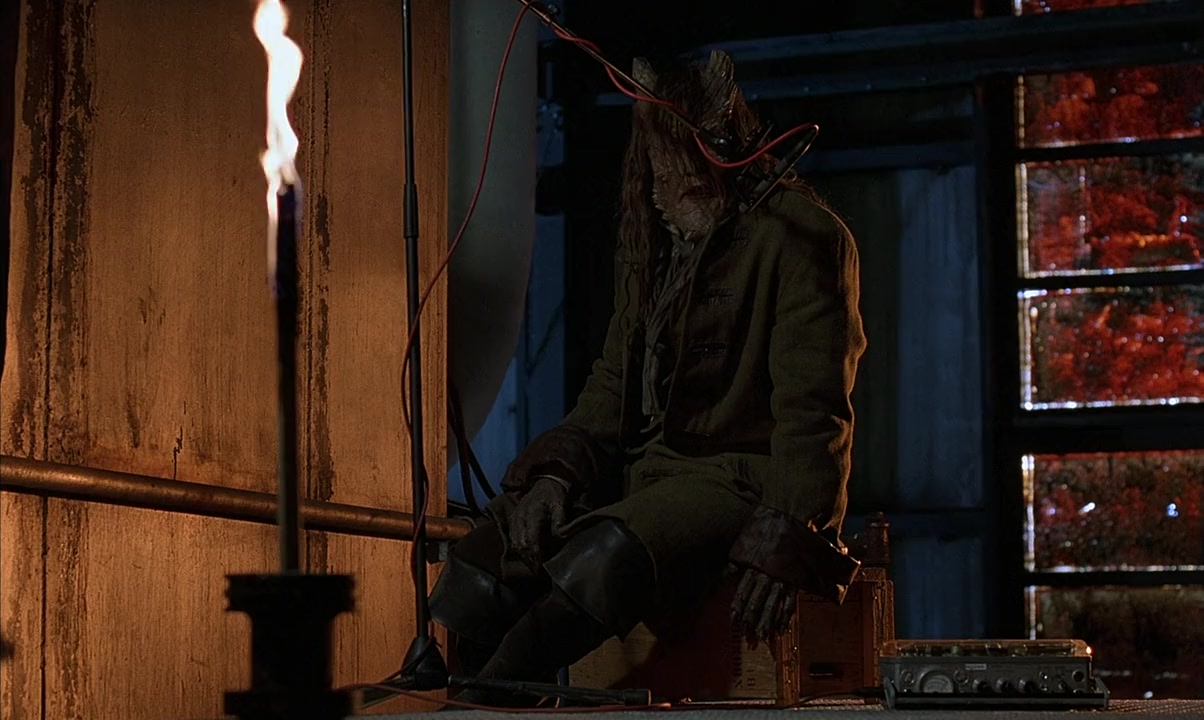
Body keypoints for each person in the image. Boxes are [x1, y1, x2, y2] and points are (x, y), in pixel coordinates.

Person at [428, 49, 867, 707]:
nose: (668, 195)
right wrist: (556, 476)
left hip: (731, 478)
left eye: (684, 178)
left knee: (605, 554)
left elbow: (814, 411)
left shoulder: (803, 237)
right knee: (483, 562)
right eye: (660, 174)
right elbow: (614, 379)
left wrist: (791, 531)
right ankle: (462, 689)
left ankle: (486, 704)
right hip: (643, 472)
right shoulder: (653, 233)